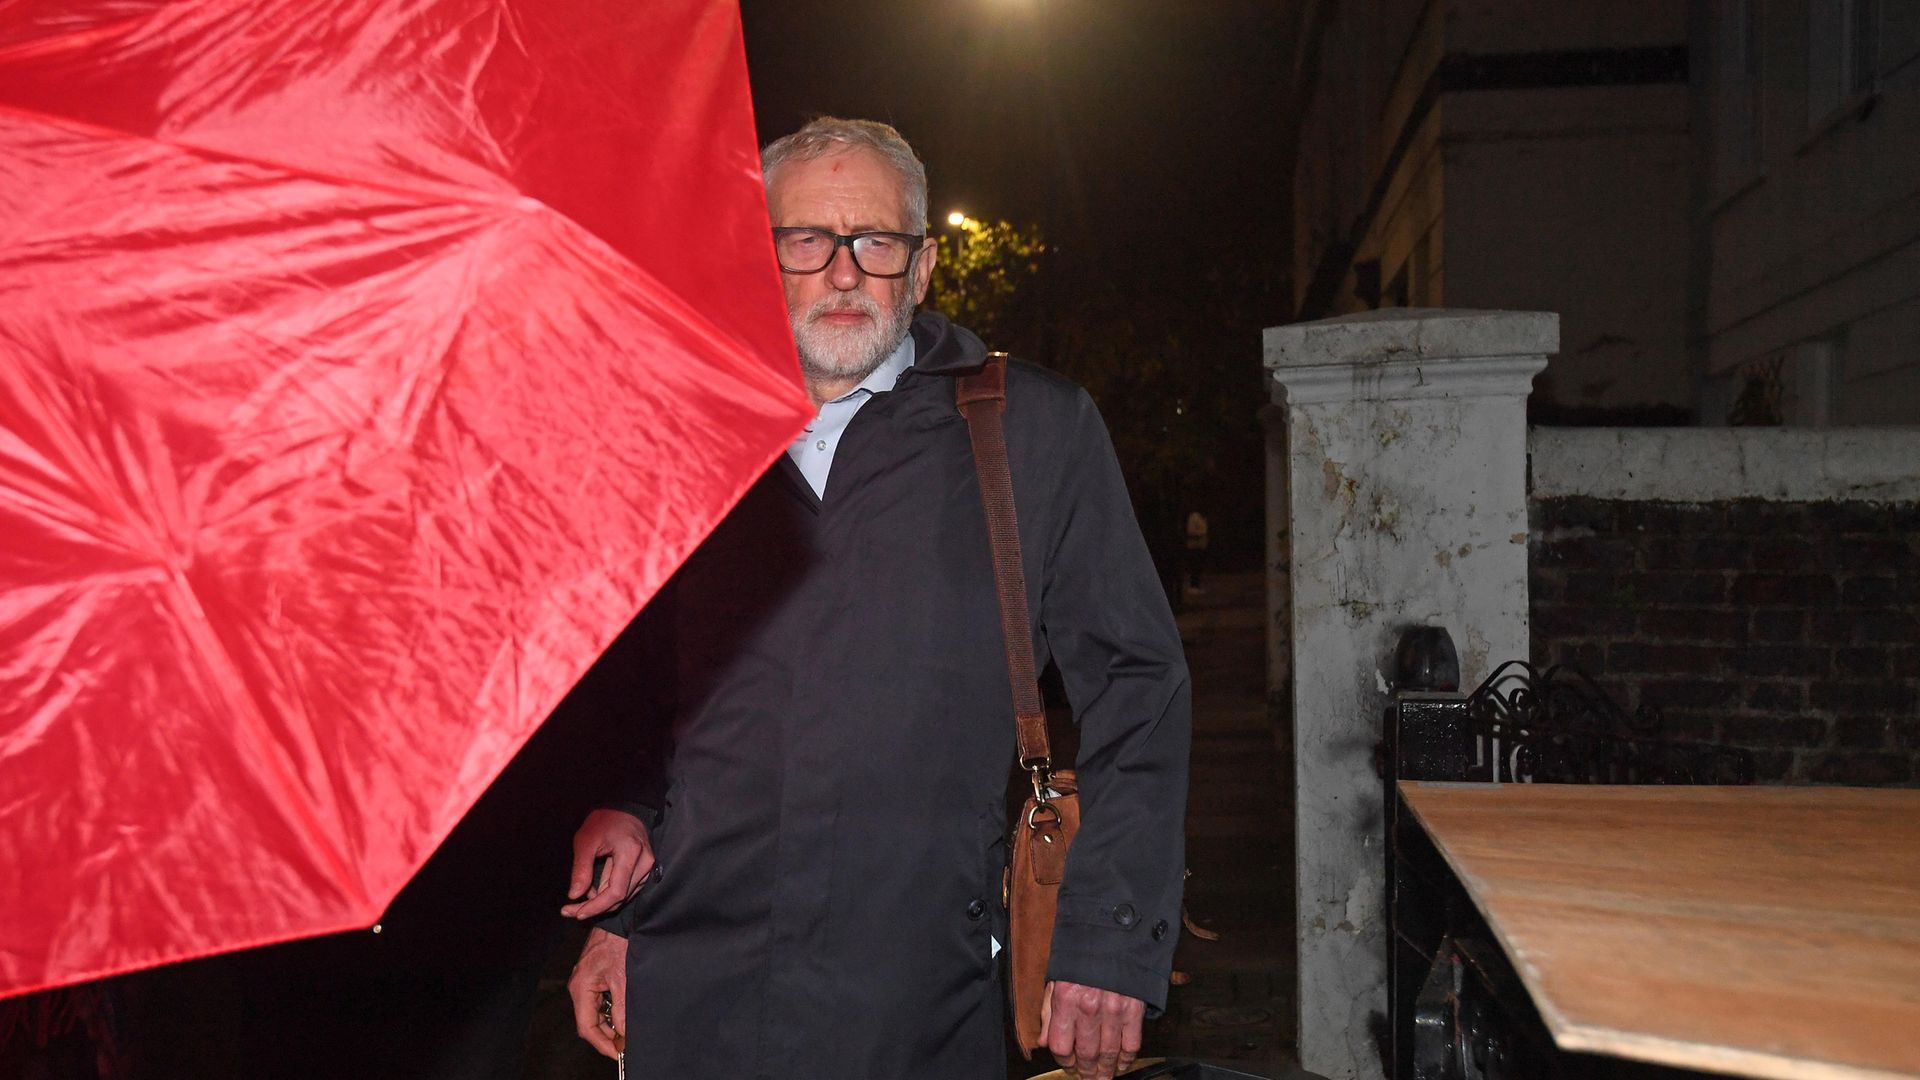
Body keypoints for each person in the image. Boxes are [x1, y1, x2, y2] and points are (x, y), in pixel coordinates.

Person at [561, 117, 1190, 1080]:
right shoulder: (681, 441)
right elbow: (655, 692)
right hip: (698, 993)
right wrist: (628, 915)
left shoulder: (1032, 432)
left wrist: (1108, 941)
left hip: (924, 999)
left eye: (877, 243)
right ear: (757, 260)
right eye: (806, 241)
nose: (844, 272)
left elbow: (1140, 688)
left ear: (924, 266)